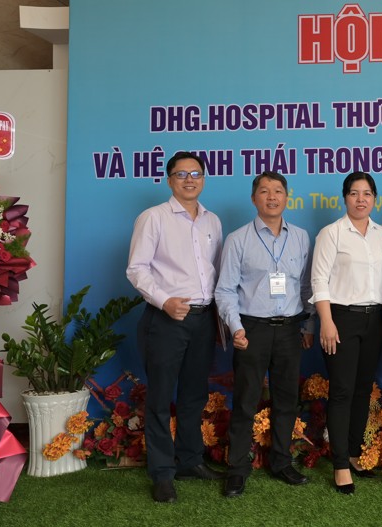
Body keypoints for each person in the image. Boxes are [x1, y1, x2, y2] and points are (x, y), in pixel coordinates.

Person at [126, 151, 224, 503]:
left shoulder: (213, 221)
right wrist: (164, 300)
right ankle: (162, 473)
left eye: (195, 173)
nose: (189, 179)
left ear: (203, 179)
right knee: (160, 395)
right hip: (167, 318)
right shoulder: (153, 218)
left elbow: (214, 270)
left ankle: (190, 461)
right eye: (181, 174)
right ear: (170, 180)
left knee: (194, 394)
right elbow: (137, 269)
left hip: (203, 319)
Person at [215, 172, 314, 498]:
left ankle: (281, 462)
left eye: (278, 191)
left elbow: (306, 287)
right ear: (254, 198)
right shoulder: (238, 239)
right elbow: (225, 290)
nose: (272, 197)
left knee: (286, 400)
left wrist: (308, 325)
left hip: (289, 329)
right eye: (264, 191)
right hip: (251, 329)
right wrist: (236, 328)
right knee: (246, 401)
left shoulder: (301, 237)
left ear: (287, 197)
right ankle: (237, 468)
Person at [310, 171, 382, 495]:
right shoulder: (332, 233)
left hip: (374, 320)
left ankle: (355, 454)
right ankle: (340, 464)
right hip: (340, 318)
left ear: (374, 199)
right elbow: (319, 280)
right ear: (345, 198)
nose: (361, 199)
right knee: (342, 391)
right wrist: (326, 321)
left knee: (362, 389)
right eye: (354, 193)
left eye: (367, 193)